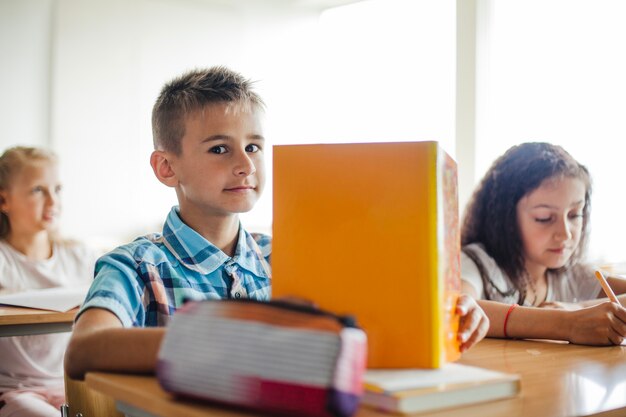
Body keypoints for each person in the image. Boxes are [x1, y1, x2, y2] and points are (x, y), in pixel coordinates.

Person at [65, 66, 488, 381]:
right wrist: (240, 346)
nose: (245, 164)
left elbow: (385, 312)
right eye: (219, 149)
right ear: (166, 167)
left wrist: (453, 310)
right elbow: (83, 350)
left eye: (253, 146)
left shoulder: (291, 254)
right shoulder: (136, 264)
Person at [461, 142, 626, 345]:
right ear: (506, 219)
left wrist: (578, 307)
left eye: (575, 215)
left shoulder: (574, 276)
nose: (565, 233)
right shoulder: (477, 263)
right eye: (544, 217)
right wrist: (569, 324)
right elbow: (458, 306)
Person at [0, 146, 99, 417]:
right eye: (37, 190)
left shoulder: (81, 257)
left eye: (57, 189)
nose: (53, 201)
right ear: (4, 201)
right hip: (17, 391)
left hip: (75, 383)